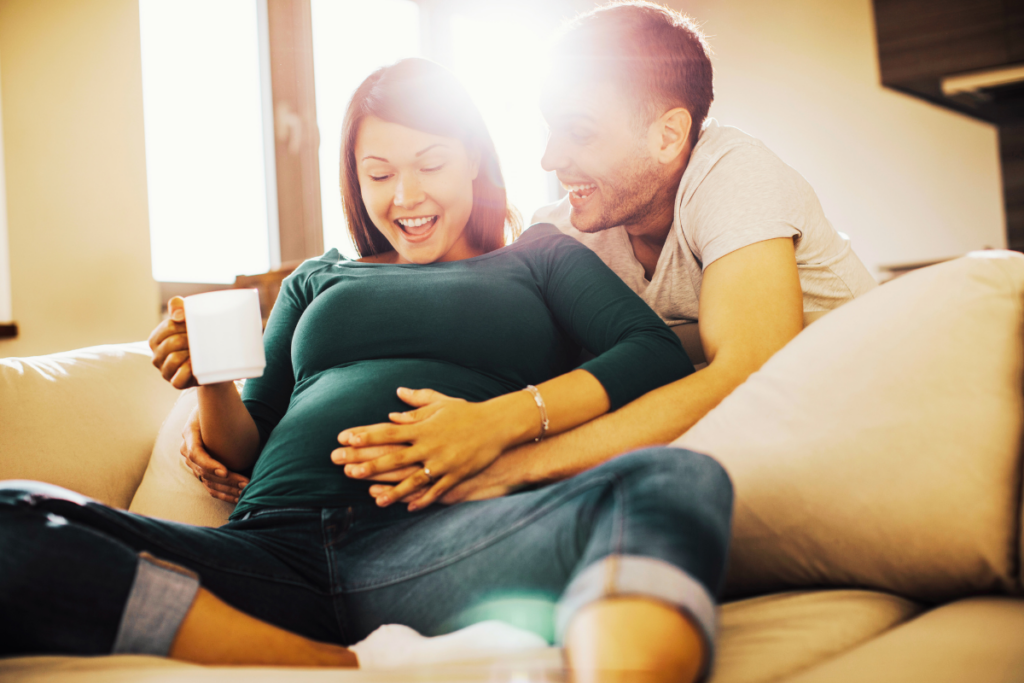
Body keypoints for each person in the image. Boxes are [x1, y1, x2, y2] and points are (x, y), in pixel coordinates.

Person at [0, 58, 732, 683]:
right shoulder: (317, 280)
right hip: (266, 549)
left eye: (431, 165)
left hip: (437, 543)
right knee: (13, 510)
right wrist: (211, 379)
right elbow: (242, 449)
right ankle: (336, 665)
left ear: (474, 158)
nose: (405, 198)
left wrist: (495, 423)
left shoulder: (538, 256)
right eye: (379, 172)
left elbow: (650, 354)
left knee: (677, 480)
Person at [304, 0, 879, 509]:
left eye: (580, 132)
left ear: (668, 135)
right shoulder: (564, 232)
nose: (550, 158)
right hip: (729, 442)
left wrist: (513, 467)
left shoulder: (732, 174)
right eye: (551, 129)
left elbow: (745, 373)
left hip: (862, 412)